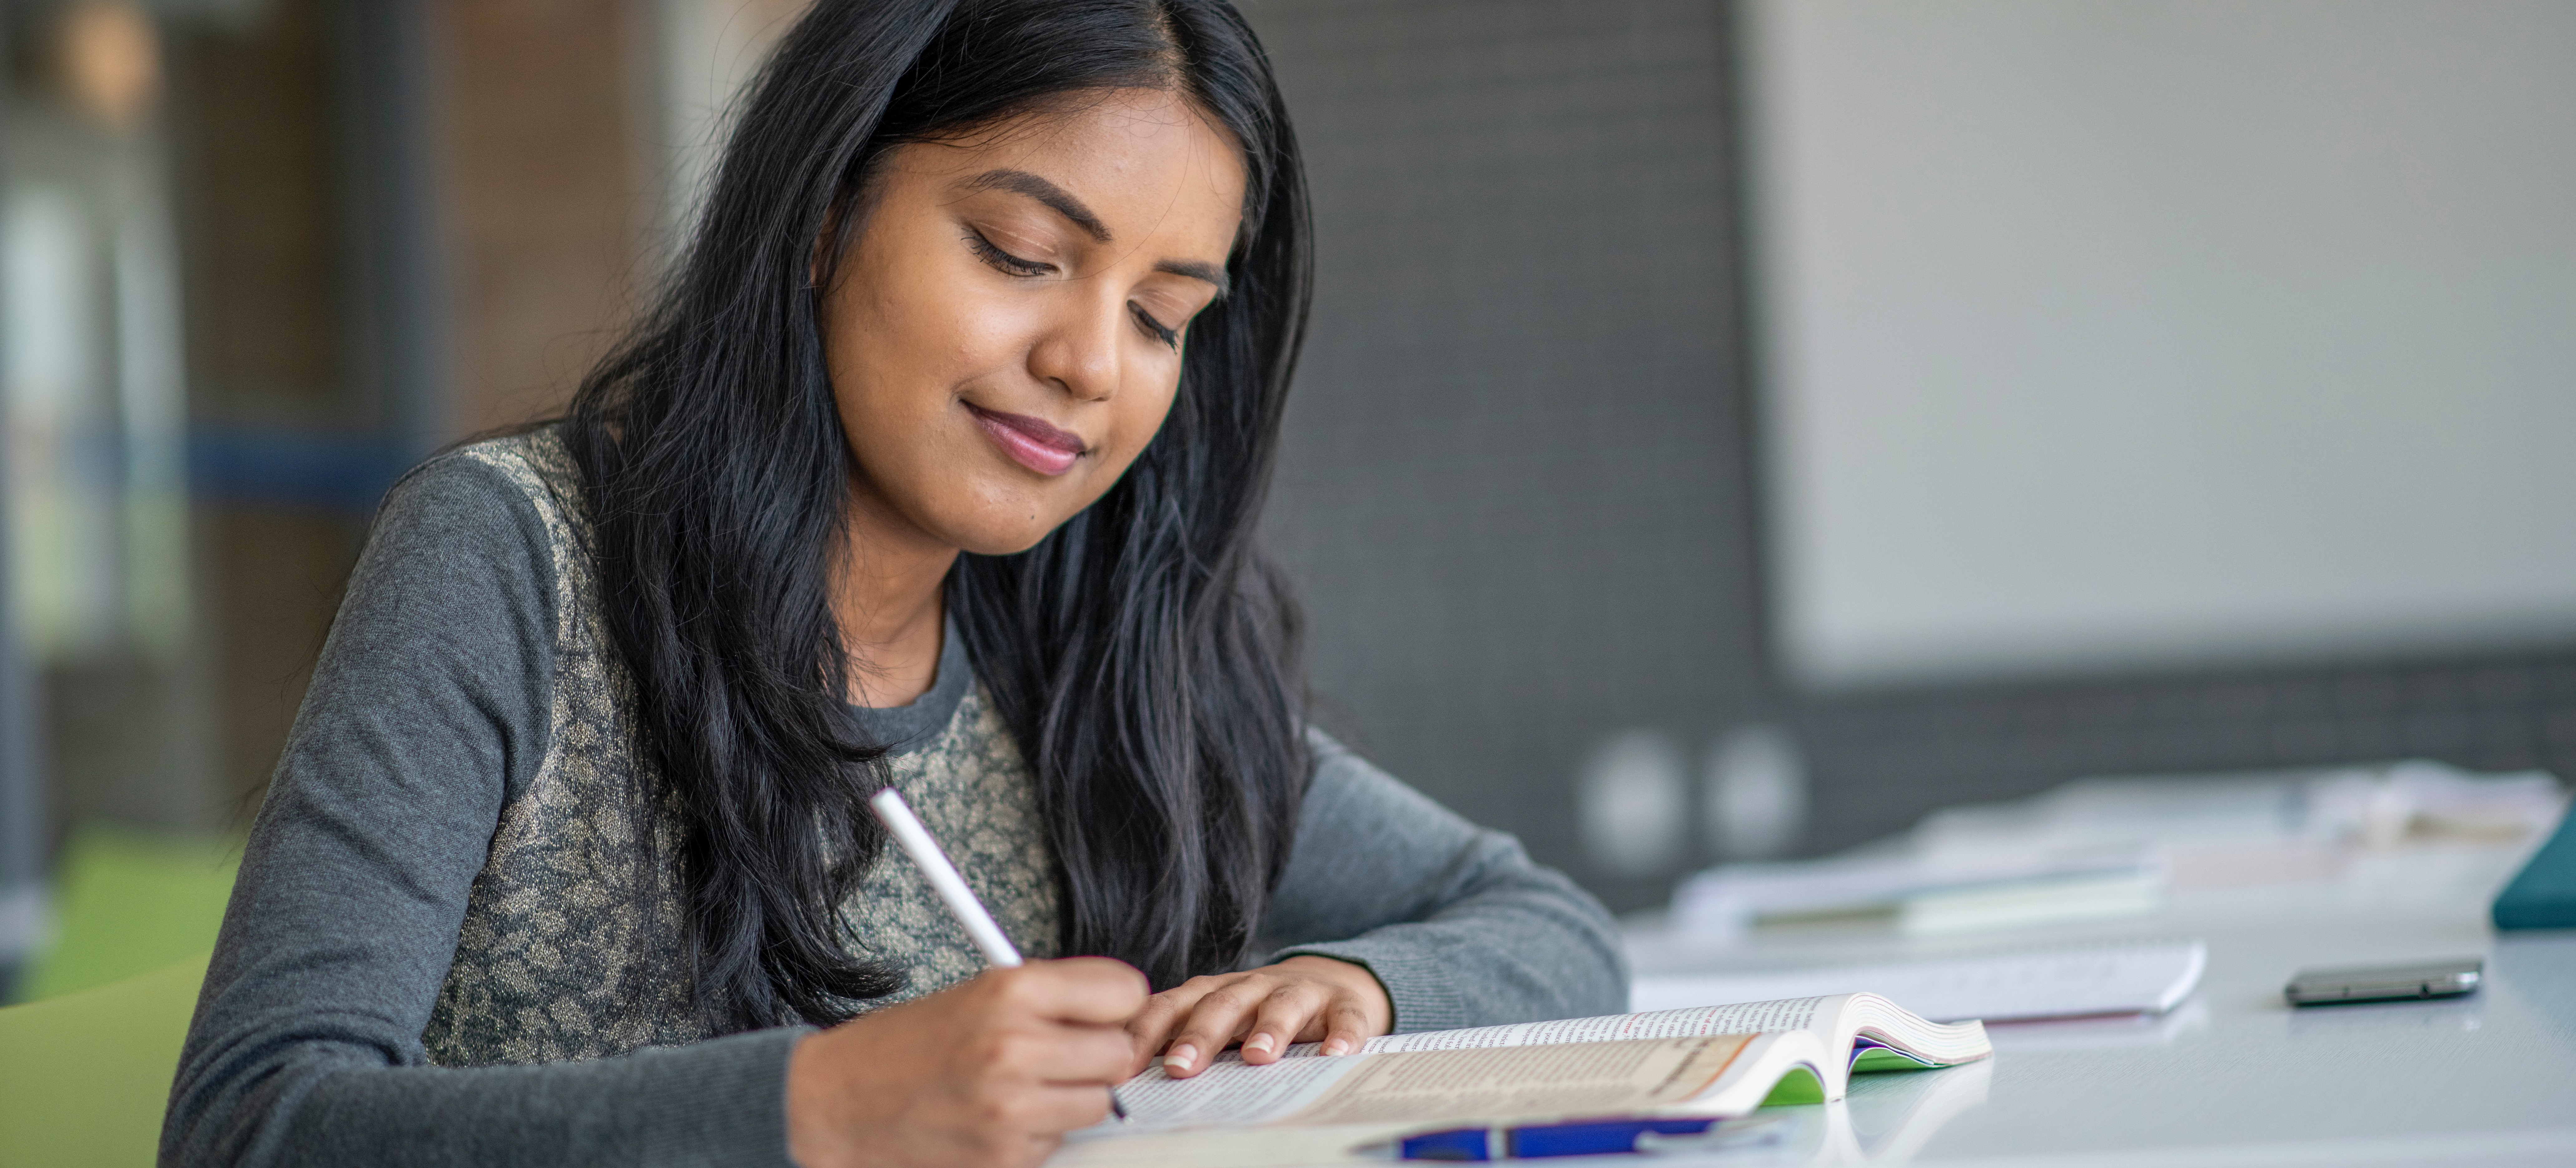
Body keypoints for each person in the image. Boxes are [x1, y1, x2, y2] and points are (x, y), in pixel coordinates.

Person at [163, 2, 1623, 1166]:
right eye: (1022, 252)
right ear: (821, 213)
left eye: (1165, 317)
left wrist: (1358, 994)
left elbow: (1546, 927)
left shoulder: (1095, 638)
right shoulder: (513, 560)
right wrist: (819, 1114)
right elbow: (251, 1125)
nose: (1093, 366)